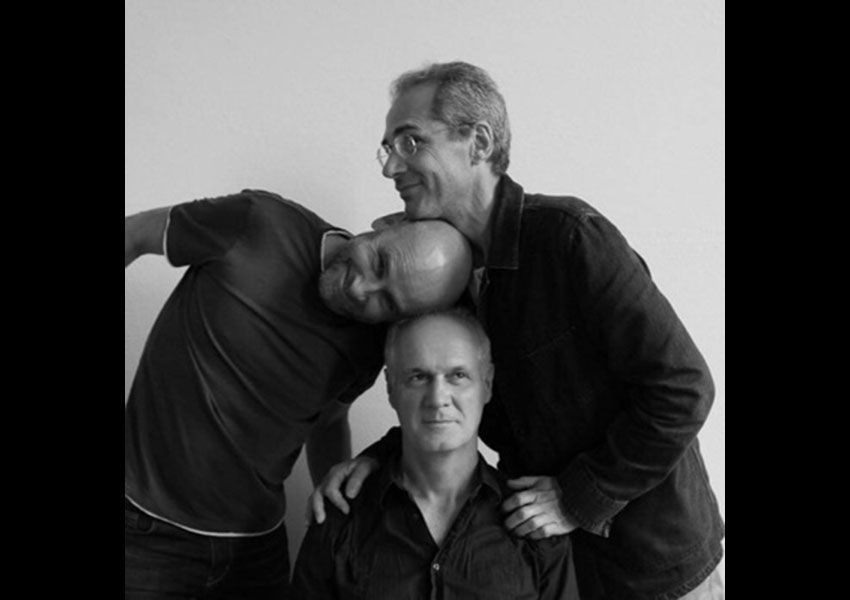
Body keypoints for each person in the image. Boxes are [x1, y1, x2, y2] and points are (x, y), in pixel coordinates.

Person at [309, 62, 725, 599]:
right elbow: (451, 391)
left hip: (655, 566)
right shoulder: (440, 276)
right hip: (552, 566)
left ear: (478, 143)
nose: (391, 167)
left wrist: (578, 497)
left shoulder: (570, 239)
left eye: (410, 142)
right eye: (387, 148)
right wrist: (375, 460)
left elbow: (684, 389)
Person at [124, 188, 472, 599]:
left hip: (256, 549)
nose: (362, 289)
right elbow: (135, 234)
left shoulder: (370, 342)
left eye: (389, 302)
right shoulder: (258, 220)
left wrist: (340, 515)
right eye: (379, 262)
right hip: (144, 532)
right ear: (389, 225)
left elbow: (328, 423)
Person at [292, 308, 579, 599]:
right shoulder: (340, 519)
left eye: (458, 375)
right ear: (390, 388)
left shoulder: (535, 526)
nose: (438, 398)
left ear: (487, 384)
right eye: (418, 377)